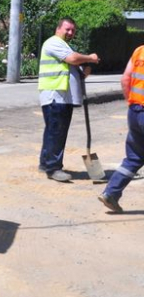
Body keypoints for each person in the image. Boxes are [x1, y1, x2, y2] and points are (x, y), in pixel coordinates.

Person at [38, 17, 100, 182]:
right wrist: (90, 58)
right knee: (57, 132)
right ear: (58, 28)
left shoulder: (66, 47)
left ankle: (46, 163)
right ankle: (53, 168)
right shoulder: (54, 42)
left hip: (62, 96)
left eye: (73, 30)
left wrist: (84, 72)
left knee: (52, 131)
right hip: (55, 95)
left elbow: (75, 70)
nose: (71, 32)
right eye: (68, 29)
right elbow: (72, 59)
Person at [98, 45, 144, 213]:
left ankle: (111, 193)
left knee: (134, 157)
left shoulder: (139, 51)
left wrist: (131, 104)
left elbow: (125, 79)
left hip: (135, 112)